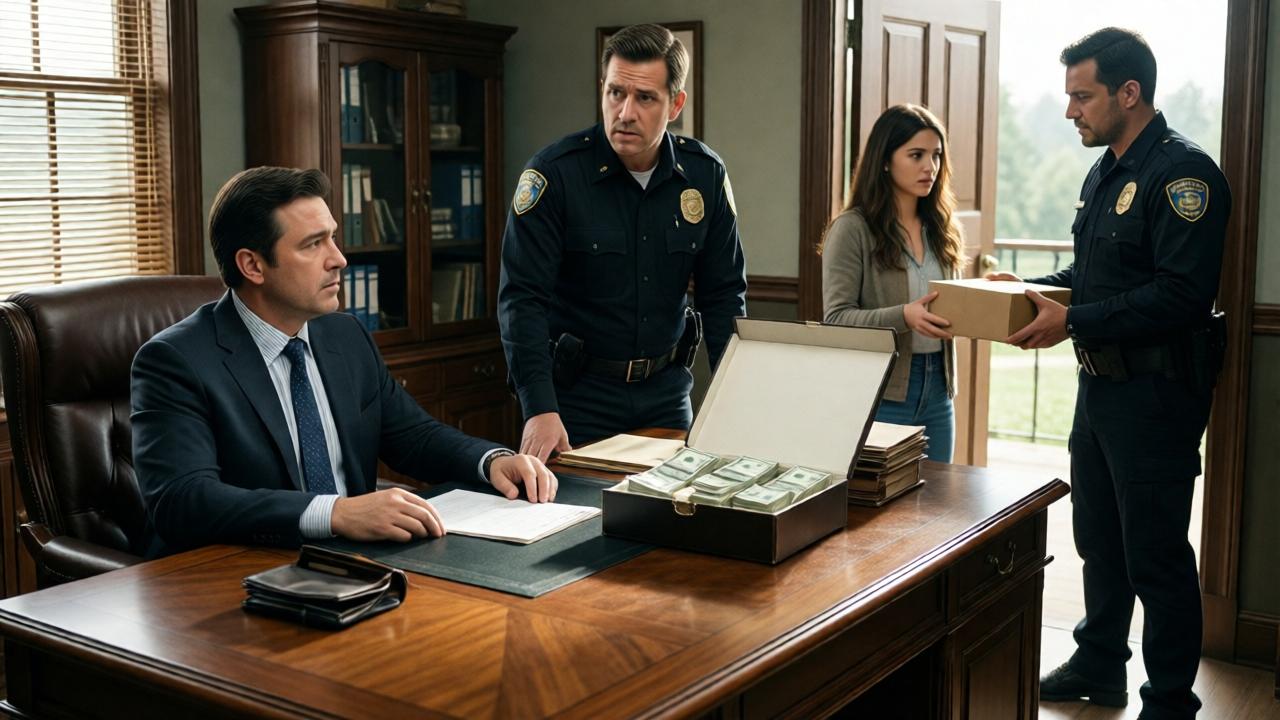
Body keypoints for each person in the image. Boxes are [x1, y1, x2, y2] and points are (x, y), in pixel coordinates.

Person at [989, 28, 1229, 719]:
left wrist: (1073, 320)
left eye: (1082, 96)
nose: (1070, 111)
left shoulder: (1184, 176)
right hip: (1098, 389)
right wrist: (1029, 290)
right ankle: (1100, 664)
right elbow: (1095, 276)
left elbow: (1181, 295)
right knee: (1098, 540)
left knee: (1155, 554)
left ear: (1130, 93)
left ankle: (1171, 700)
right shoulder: (1105, 171)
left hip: (1156, 395)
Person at [132, 167, 556, 558]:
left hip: (355, 564)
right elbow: (183, 500)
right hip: (235, 571)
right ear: (253, 265)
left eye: (332, 238)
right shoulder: (176, 361)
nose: (339, 258)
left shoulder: (344, 335)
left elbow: (413, 436)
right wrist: (335, 513)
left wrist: (492, 461)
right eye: (313, 244)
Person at [498, 23, 747, 461]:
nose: (626, 112)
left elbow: (723, 296)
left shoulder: (704, 175)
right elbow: (522, 300)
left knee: (677, 504)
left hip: (666, 394)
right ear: (603, 89)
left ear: (676, 104)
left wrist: (736, 401)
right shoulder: (555, 175)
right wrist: (538, 408)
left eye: (645, 98)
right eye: (616, 93)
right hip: (576, 400)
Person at [820, 104, 964, 462]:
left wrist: (984, 297)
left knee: (939, 493)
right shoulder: (852, 229)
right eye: (916, 155)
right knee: (884, 497)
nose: (930, 167)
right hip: (881, 392)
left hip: (939, 390)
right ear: (885, 161)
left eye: (936, 155)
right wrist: (904, 316)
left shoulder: (944, 229)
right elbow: (836, 319)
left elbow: (947, 306)